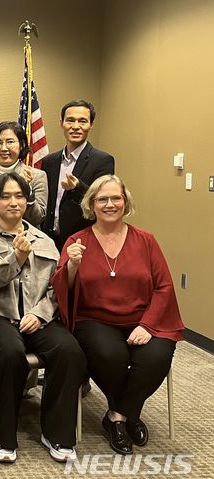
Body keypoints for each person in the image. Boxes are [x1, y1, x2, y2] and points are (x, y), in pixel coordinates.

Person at [52, 174, 184, 455]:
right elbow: (64, 288)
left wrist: (148, 325)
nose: (109, 204)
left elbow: (163, 286)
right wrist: (73, 265)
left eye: (116, 198)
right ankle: (130, 414)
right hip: (95, 320)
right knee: (112, 356)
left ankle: (119, 416)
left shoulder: (146, 240)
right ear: (91, 204)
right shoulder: (77, 241)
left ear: (125, 202)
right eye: (102, 199)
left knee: (156, 357)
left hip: (144, 319)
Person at [0, 172, 86, 464]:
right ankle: (5, 435)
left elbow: (55, 288)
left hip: (37, 317)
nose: (13, 202)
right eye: (6, 197)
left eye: (19, 196)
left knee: (70, 351)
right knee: (10, 353)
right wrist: (16, 258)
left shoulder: (44, 240)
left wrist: (40, 314)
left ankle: (57, 433)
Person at [42, 100, 115, 251]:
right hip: (49, 241)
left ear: (91, 125)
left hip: (82, 242)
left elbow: (102, 201)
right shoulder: (49, 161)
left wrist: (77, 187)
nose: (76, 126)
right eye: (70, 120)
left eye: (82, 121)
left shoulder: (102, 160)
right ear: (61, 123)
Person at [0, 121, 47, 230]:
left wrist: (26, 188)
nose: (4, 148)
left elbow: (37, 218)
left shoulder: (37, 176)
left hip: (25, 241)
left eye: (10, 142)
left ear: (22, 145)